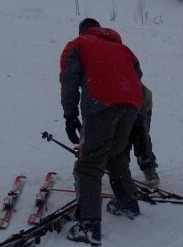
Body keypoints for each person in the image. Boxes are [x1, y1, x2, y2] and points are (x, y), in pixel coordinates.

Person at [59, 18, 143, 246]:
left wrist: (70, 115)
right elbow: (138, 74)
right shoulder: (122, 48)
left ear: (82, 30)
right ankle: (128, 203)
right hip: (132, 102)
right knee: (114, 154)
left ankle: (89, 226)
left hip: (101, 102)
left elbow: (69, 79)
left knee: (89, 164)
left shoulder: (78, 43)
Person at [127, 84, 160, 188]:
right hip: (111, 104)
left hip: (140, 101)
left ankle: (148, 166)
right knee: (117, 140)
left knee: (140, 137)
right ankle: (117, 168)